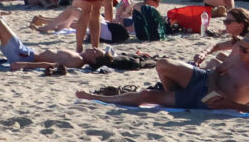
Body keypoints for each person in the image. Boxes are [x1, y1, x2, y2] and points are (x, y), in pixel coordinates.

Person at [78, 40, 249, 112]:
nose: (239, 51)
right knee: (163, 63)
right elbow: (217, 71)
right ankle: (173, 94)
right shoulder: (238, 54)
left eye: (244, 49)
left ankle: (96, 97)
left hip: (207, 100)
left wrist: (230, 104)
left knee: (146, 95)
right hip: (205, 80)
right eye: (240, 46)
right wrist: (212, 86)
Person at [0, 13, 107, 70]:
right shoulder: (78, 55)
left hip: (25, 56)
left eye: (95, 52)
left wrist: (23, 65)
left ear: (93, 60)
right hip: (26, 53)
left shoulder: (77, 61)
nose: (93, 48)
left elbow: (52, 65)